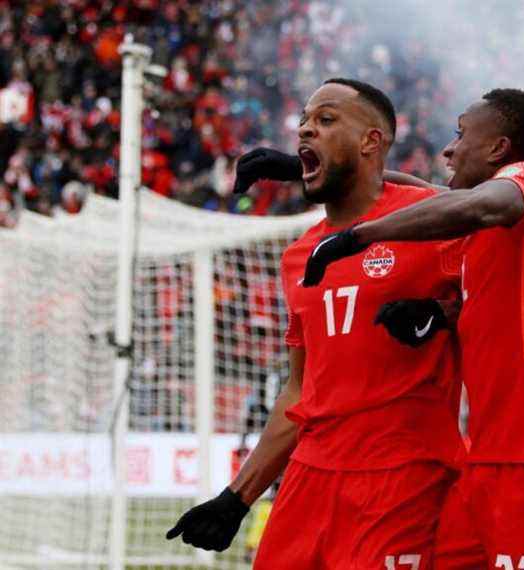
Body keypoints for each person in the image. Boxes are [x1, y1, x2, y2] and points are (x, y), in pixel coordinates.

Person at [245, 88, 524, 569]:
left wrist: (358, 235)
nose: (448, 149)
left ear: (498, 148)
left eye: (460, 134)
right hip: (485, 460)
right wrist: (308, 168)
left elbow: (476, 204)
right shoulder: (487, 232)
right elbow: (428, 195)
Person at [166, 78, 465, 569]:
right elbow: (300, 390)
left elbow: (501, 273)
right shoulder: (299, 255)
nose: (305, 130)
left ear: (373, 140)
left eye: (325, 120)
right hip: (310, 476)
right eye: (303, 121)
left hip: (401, 473)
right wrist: (237, 497)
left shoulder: (435, 221)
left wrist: (444, 315)